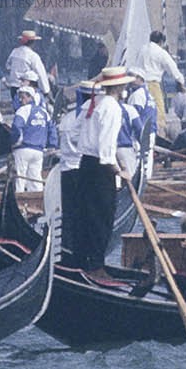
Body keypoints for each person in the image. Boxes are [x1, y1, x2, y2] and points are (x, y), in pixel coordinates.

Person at [68, 67, 130, 275]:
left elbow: (74, 133)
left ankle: (80, 260)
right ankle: (95, 265)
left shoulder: (91, 103)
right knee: (102, 217)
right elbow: (105, 148)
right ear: (119, 86)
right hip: (101, 169)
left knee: (84, 214)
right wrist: (119, 171)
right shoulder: (113, 108)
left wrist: (87, 147)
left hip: (85, 164)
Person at [10, 85, 57, 192]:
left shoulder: (22, 111)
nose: (21, 100)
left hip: (23, 149)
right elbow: (52, 129)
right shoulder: (44, 113)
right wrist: (52, 145)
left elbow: (16, 127)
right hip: (38, 152)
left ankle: (19, 199)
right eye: (20, 98)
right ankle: (36, 199)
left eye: (23, 97)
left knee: (20, 178)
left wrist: (15, 142)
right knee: (35, 179)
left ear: (30, 97)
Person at [131, 30, 185, 114]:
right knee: (158, 112)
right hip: (153, 85)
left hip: (139, 83)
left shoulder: (142, 50)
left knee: (141, 110)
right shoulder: (161, 52)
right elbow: (172, 68)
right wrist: (181, 81)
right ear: (161, 42)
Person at [7, 29, 52, 95]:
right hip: (27, 88)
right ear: (33, 43)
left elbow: (8, 65)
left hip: (13, 86)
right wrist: (46, 90)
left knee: (16, 103)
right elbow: (40, 73)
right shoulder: (33, 55)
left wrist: (16, 73)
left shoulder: (14, 52)